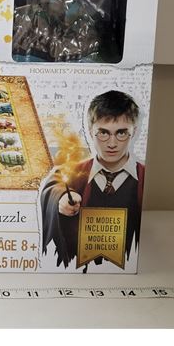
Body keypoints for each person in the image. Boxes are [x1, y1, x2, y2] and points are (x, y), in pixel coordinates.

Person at [40, 90, 144, 268]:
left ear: (133, 132)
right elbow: (55, 184)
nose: (112, 143)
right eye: (103, 133)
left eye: (121, 133)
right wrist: (61, 198)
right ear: (90, 131)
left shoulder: (145, 177)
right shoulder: (73, 173)